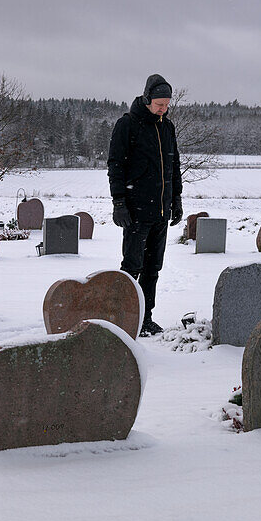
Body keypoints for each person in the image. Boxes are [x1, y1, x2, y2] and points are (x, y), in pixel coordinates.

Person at [107, 73, 183, 336]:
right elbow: (115, 165)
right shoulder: (127, 125)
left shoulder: (167, 127)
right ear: (147, 99)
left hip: (161, 211)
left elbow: (174, 166)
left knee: (153, 269)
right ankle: (122, 319)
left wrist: (176, 199)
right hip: (137, 211)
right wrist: (119, 202)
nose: (163, 109)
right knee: (132, 267)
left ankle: (145, 318)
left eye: (167, 104)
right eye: (159, 104)